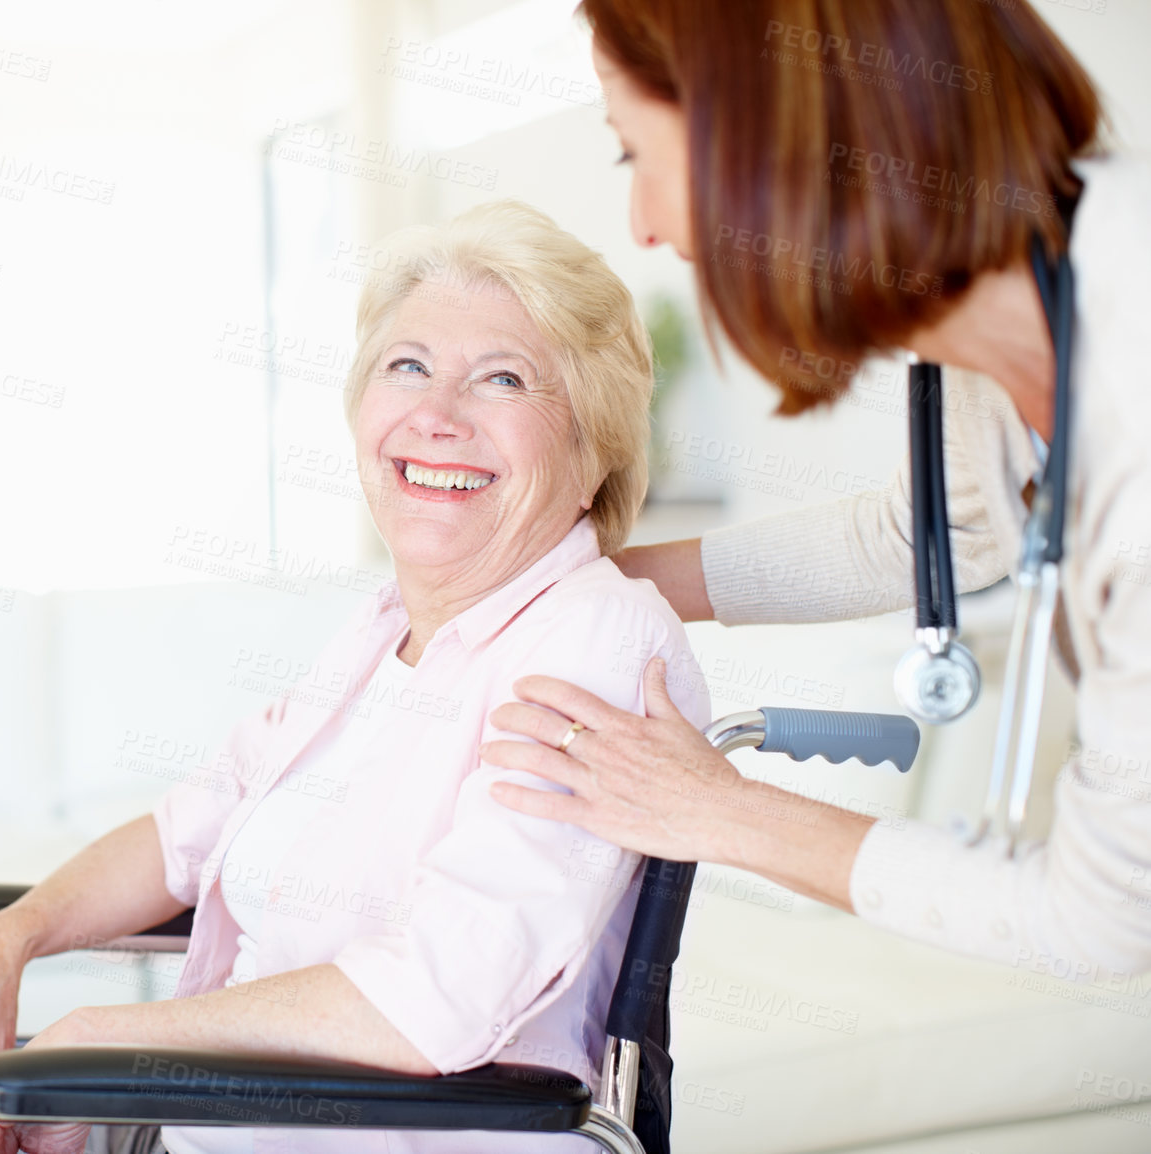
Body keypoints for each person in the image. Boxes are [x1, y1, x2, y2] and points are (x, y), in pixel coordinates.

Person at [0, 201, 709, 1154]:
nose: (436, 413)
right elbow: (189, 830)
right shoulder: (382, 630)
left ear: (591, 447)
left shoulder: (598, 644)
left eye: (503, 378)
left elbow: (436, 994)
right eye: (406, 365)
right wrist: (7, 937)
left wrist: (110, 1044)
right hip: (196, 1120)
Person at [484, 0, 1151, 980]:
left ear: (770, 133)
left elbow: (1104, 916)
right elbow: (942, 526)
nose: (645, 225)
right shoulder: (1009, 306)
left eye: (634, 154)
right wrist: (594, 577)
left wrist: (716, 806)